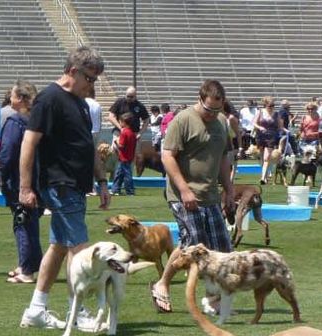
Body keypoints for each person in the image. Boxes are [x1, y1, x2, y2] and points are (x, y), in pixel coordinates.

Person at [18, 46, 111, 331]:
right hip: (60, 185)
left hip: (76, 186)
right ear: (73, 71)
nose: (91, 85)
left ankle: (36, 310)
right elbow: (29, 143)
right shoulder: (49, 99)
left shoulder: (80, 103)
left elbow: (88, 146)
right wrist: (25, 187)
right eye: (89, 78)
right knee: (81, 251)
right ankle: (77, 311)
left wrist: (103, 181)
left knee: (58, 247)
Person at [148, 79, 235, 315]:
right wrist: (184, 189)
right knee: (193, 244)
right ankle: (162, 284)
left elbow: (223, 158)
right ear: (200, 99)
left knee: (221, 248)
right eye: (208, 109)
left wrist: (229, 189)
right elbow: (167, 157)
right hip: (182, 194)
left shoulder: (221, 122)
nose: (212, 114)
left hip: (210, 195)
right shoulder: (183, 120)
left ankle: (212, 297)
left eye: (217, 109)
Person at [0, 80, 42, 284]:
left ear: (22, 99)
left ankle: (26, 269)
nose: (10, 99)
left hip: (19, 178)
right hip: (38, 177)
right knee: (31, 221)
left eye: (14, 96)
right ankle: (31, 264)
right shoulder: (38, 119)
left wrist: (3, 175)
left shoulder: (15, 121)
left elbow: (7, 152)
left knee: (22, 222)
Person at [253, 96, 281, 184]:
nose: (272, 107)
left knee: (266, 158)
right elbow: (254, 123)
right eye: (270, 105)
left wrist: (284, 131)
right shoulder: (260, 112)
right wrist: (259, 127)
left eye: (273, 105)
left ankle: (262, 178)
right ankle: (265, 176)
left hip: (271, 138)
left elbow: (280, 126)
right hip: (260, 136)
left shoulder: (276, 114)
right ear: (265, 105)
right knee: (262, 158)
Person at [111, 112, 137, 195]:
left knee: (126, 175)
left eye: (120, 121)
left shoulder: (124, 132)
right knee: (119, 174)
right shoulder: (132, 133)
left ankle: (130, 190)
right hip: (129, 157)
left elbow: (121, 146)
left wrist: (115, 143)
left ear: (124, 122)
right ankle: (115, 189)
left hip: (123, 157)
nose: (120, 123)